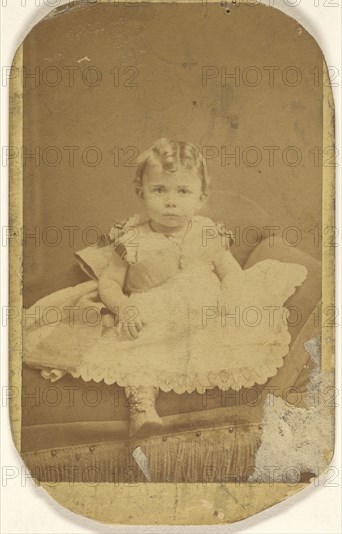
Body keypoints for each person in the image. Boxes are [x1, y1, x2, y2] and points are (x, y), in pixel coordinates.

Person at [24, 138, 307, 438]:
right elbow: (109, 283)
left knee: (218, 339)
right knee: (140, 351)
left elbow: (230, 271)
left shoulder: (208, 232)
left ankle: (202, 383)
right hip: (153, 312)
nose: (171, 201)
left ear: (201, 197)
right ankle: (143, 406)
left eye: (183, 191)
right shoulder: (132, 238)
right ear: (141, 193)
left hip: (204, 309)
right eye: (160, 190)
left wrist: (232, 299)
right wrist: (123, 307)